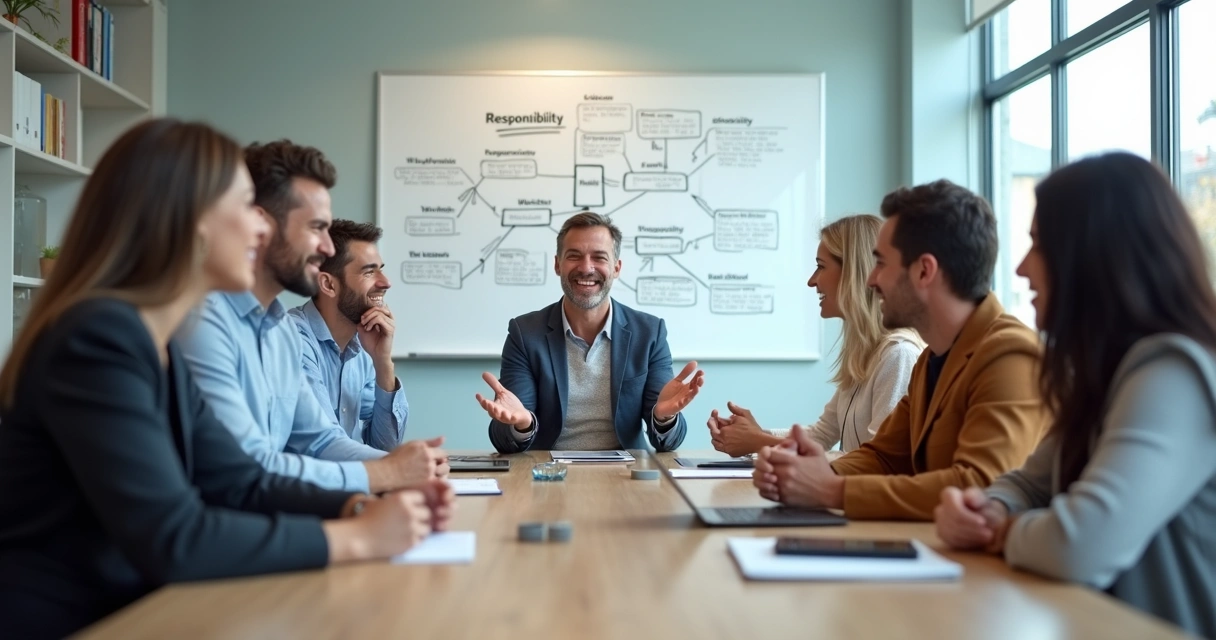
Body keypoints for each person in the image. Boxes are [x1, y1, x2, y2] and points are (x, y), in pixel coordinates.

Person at [0, 119, 453, 639]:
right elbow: (175, 535)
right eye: (246, 208)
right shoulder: (99, 339)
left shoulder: (154, 343)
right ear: (188, 220)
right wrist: (360, 539)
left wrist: (353, 505)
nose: (260, 230)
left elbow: (240, 478)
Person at [935, 153, 1216, 638]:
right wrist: (991, 508)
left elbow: (1078, 545)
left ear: (1094, 256)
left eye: (1039, 245)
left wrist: (998, 532)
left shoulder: (1174, 372)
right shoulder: (1104, 373)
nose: (1021, 268)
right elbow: (1029, 484)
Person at [754, 179, 1045, 520]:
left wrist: (830, 488)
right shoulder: (930, 360)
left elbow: (980, 487)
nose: (870, 279)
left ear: (924, 271)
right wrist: (808, 472)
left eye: (881, 263)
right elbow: (884, 456)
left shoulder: (1009, 355)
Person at [176, 139, 445, 494]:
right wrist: (387, 475)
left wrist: (404, 466)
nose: (328, 247)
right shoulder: (204, 324)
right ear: (262, 225)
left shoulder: (279, 331)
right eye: (315, 227)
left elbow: (320, 441)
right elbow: (250, 467)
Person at [477, 211, 705, 453]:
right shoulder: (525, 333)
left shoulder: (649, 333)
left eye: (599, 257)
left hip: (626, 476)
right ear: (557, 265)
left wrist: (663, 418)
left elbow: (668, 442)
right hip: (548, 474)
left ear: (616, 268)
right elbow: (503, 439)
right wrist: (522, 424)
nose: (586, 268)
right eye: (574, 256)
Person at [706, 215, 923, 458]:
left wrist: (759, 442)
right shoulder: (865, 352)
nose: (812, 281)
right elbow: (821, 435)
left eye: (820, 266)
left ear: (853, 272)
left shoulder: (899, 356)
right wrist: (754, 434)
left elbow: (878, 462)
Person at [290, 219, 407, 451]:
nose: (386, 283)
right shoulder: (293, 340)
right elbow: (324, 446)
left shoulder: (361, 346)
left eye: (380, 270)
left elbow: (385, 447)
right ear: (328, 284)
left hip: (353, 485)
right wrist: (407, 467)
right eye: (369, 272)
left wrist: (383, 363)